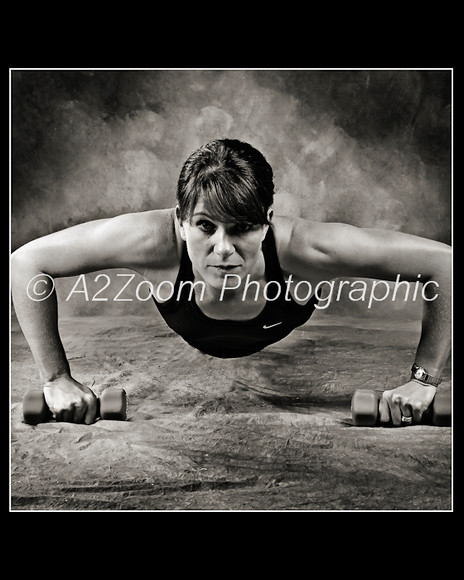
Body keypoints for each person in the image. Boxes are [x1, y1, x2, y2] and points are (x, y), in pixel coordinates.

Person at [11, 139, 451, 426]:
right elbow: (26, 263)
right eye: (205, 226)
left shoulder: (307, 251)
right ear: (181, 222)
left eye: (241, 227)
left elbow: (445, 267)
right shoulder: (151, 243)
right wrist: (56, 377)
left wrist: (423, 380)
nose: (223, 248)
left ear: (267, 224)